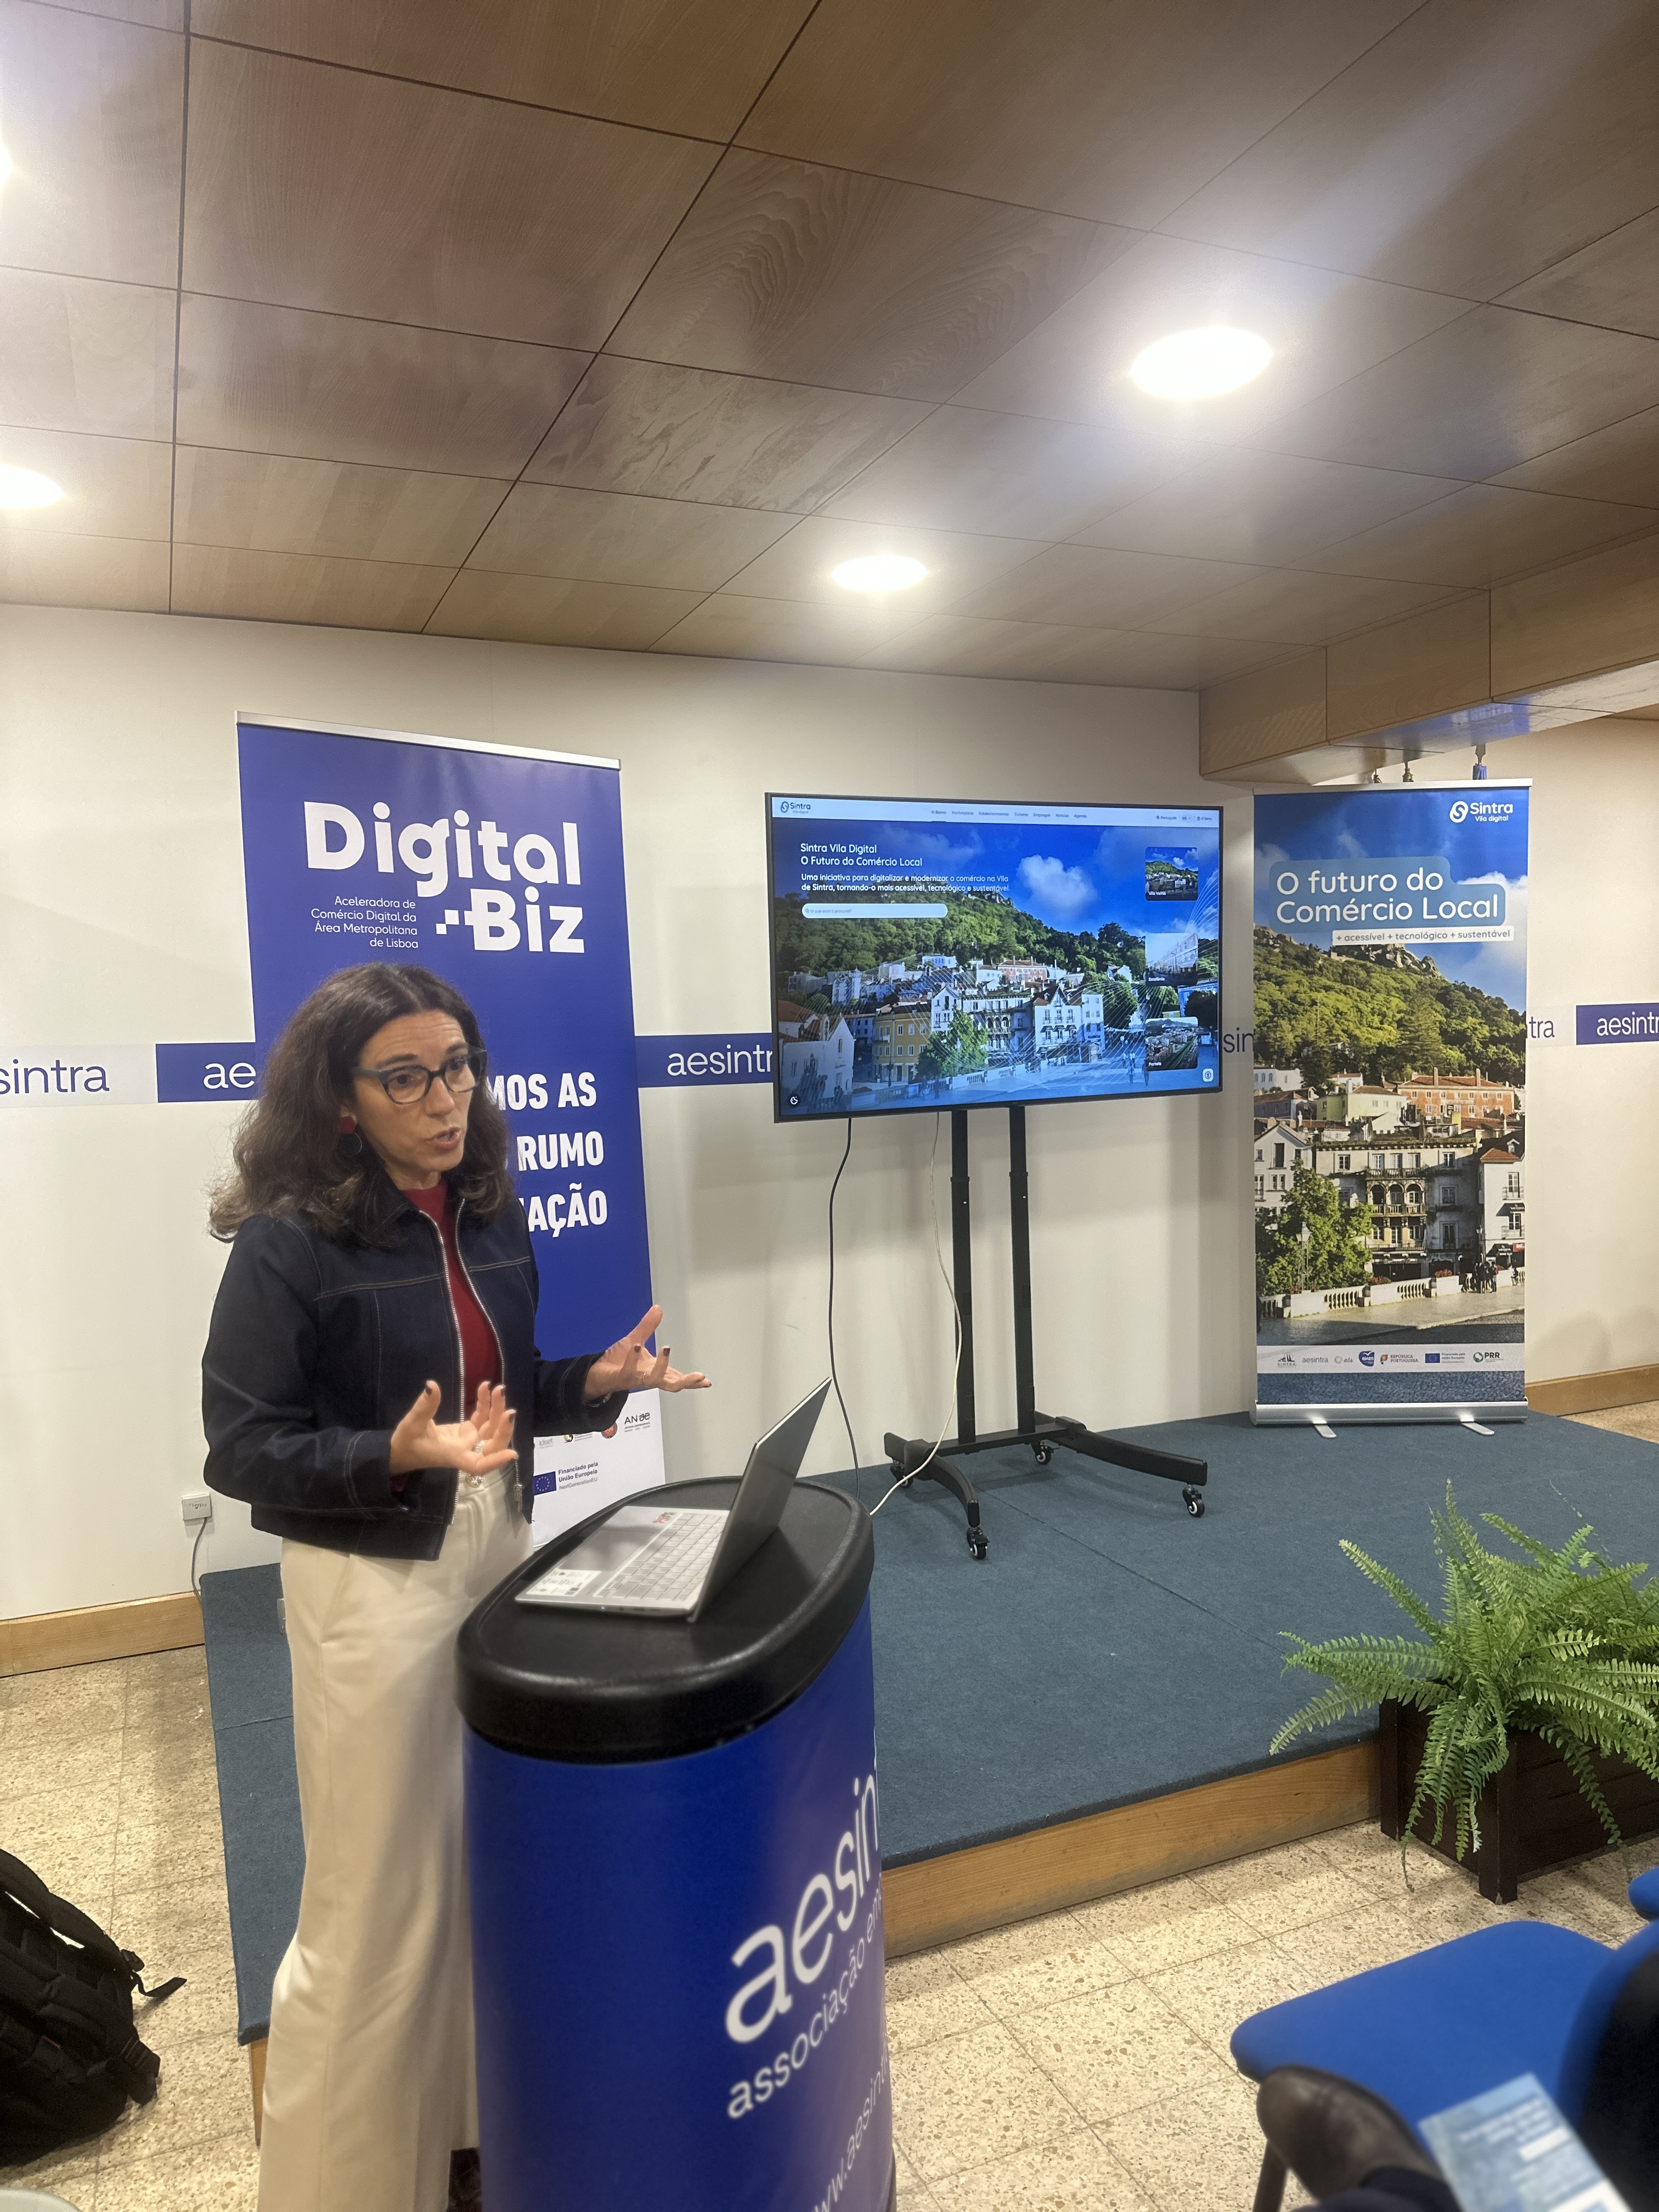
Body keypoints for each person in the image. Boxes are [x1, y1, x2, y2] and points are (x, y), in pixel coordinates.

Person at [202, 964, 710, 2212]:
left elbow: (499, 1391)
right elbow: (241, 1447)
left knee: (476, 1862)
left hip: (497, 1544)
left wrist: (588, 1383)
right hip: (368, 1574)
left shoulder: (485, 1209)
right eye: (407, 1079)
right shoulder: (287, 1243)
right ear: (341, 1100)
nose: (445, 1101)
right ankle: (339, 2189)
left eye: (458, 1069)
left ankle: (463, 2141)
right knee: (375, 1902)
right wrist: (387, 1453)